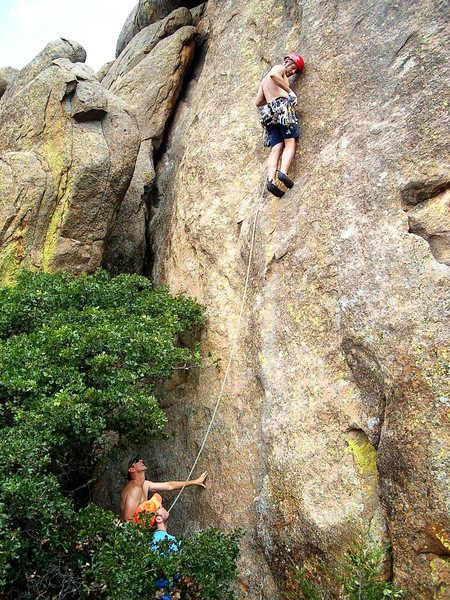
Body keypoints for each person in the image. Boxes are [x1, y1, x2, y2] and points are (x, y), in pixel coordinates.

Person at [255, 52, 305, 197]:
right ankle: (282, 173)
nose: (293, 72)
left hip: (268, 113)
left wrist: (272, 97)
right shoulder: (279, 68)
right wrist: (288, 93)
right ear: (287, 62)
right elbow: (274, 75)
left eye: (295, 71)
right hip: (282, 109)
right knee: (290, 142)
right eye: (294, 68)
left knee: (276, 147)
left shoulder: (264, 81)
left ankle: (271, 181)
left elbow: (258, 102)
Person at [120, 453, 207, 522]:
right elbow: (128, 519)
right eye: (136, 461)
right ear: (131, 470)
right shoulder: (135, 489)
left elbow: (169, 486)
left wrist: (194, 481)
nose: (141, 460)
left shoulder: (144, 484)